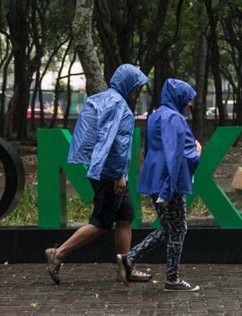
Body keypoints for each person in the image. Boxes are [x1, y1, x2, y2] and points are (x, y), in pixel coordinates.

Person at [45, 64, 151, 285]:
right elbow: (111, 142)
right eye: (136, 85)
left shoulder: (102, 99)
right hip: (111, 174)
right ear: (127, 83)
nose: (137, 90)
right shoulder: (117, 105)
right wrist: (117, 176)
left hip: (104, 171)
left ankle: (126, 268)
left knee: (125, 217)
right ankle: (59, 254)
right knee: (101, 223)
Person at [116, 78, 202, 292]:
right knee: (179, 228)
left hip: (154, 177)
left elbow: (153, 148)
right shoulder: (174, 118)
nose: (190, 104)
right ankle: (172, 279)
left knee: (168, 228)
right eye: (189, 99)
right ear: (180, 98)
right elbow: (176, 153)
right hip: (168, 180)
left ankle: (129, 258)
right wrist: (197, 152)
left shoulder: (156, 115)